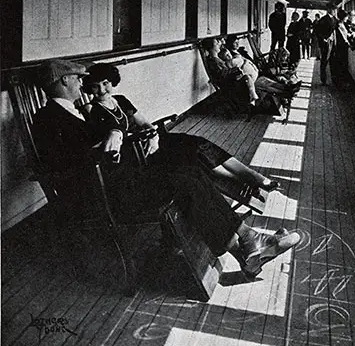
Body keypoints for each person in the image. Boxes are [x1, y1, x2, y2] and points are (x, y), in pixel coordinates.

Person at [32, 59, 300, 279]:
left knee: (191, 171)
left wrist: (116, 135)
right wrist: (109, 140)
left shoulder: (73, 112)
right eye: (78, 78)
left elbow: (98, 146)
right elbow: (68, 164)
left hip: (122, 178)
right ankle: (248, 243)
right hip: (106, 194)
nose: (82, 82)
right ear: (64, 80)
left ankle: (248, 247)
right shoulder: (48, 118)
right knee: (185, 181)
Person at [82, 63, 281, 194]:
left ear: (112, 82)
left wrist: (154, 136)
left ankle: (250, 178)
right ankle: (249, 180)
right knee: (195, 152)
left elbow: (145, 123)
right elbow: (109, 142)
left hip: (152, 142)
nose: (101, 90)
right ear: (89, 89)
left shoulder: (121, 100)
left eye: (105, 83)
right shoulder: (94, 110)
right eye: (95, 86)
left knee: (199, 143)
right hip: (136, 153)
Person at [224, 35, 301, 98]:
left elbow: (249, 61)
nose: (237, 44)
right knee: (268, 86)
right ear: (230, 44)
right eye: (235, 43)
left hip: (257, 73)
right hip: (251, 80)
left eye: (238, 42)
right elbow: (235, 68)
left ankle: (289, 88)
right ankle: (287, 92)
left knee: (271, 82)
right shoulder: (231, 57)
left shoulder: (240, 51)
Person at [332, 9, 355, 90]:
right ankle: (341, 85)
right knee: (342, 65)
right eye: (346, 16)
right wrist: (351, 43)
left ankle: (341, 84)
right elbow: (344, 37)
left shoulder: (341, 24)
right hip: (341, 48)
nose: (347, 18)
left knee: (342, 65)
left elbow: (346, 35)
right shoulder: (339, 25)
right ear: (343, 17)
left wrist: (351, 34)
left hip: (341, 47)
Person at [315, 5, 337, 85]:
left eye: (335, 10)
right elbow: (317, 30)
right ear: (329, 10)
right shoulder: (323, 19)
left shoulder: (334, 19)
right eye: (334, 10)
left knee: (332, 61)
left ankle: (333, 80)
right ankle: (323, 80)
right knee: (324, 61)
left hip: (333, 42)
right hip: (326, 43)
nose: (335, 12)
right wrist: (323, 38)